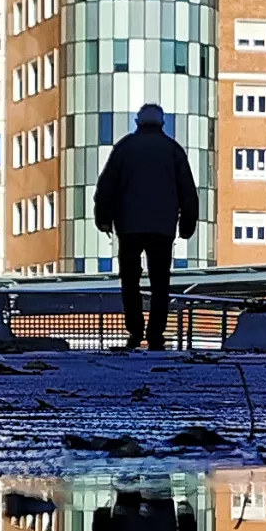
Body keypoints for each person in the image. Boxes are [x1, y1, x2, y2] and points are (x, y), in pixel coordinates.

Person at [92, 102, 198, 350]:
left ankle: (135, 330)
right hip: (162, 229)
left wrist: (104, 218)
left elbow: (106, 187)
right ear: (162, 124)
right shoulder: (173, 151)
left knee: (130, 280)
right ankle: (156, 334)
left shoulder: (124, 148)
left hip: (128, 227)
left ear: (138, 123)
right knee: (160, 282)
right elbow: (188, 192)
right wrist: (187, 224)